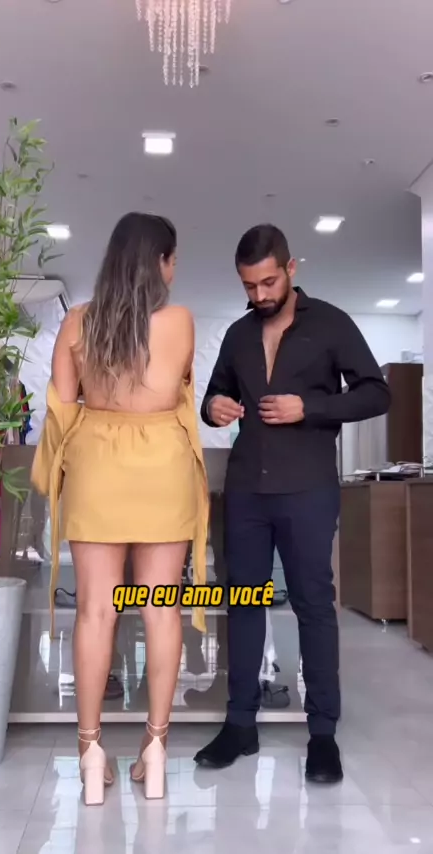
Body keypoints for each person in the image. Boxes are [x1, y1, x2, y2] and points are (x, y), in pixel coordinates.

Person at [194, 224, 391, 783]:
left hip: (308, 488)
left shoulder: (331, 323)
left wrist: (311, 407)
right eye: (249, 286)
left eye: (268, 282)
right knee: (243, 602)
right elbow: (213, 394)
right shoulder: (237, 335)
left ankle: (322, 733)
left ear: (291, 268)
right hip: (246, 491)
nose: (259, 295)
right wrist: (215, 408)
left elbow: (377, 392)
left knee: (313, 605)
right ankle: (240, 725)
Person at [31, 213, 209, 805]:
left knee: (95, 612)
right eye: (173, 261)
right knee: (161, 610)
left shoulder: (77, 323)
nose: (175, 272)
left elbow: (62, 409)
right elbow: (178, 390)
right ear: (160, 263)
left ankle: (90, 754)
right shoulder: (180, 322)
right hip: (163, 468)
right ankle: (155, 749)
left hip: (97, 468)